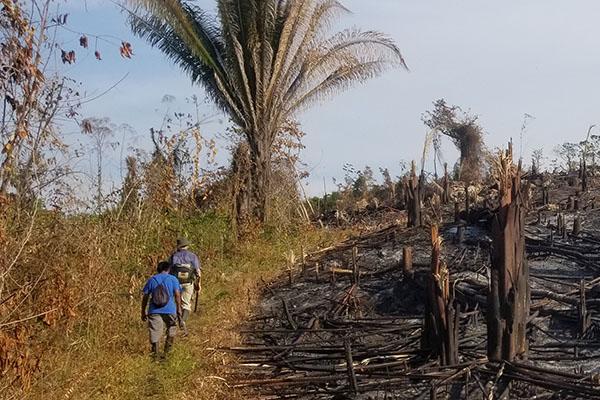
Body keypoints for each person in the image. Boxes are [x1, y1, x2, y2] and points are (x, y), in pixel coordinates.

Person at [141, 261, 182, 358]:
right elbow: (177, 294)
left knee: (155, 331)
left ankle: (155, 354)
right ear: (168, 269)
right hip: (170, 309)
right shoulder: (173, 279)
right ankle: (167, 353)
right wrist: (179, 308)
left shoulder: (152, 280)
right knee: (171, 328)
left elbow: (145, 296)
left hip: (154, 310)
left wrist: (143, 311)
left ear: (158, 269)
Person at [169, 237, 201, 335]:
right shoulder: (192, 256)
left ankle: (174, 321)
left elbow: (169, 270)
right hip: (188, 283)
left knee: (175, 303)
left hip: (175, 282)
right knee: (186, 304)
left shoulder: (173, 256)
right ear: (187, 246)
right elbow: (198, 272)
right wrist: (198, 284)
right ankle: (182, 321)